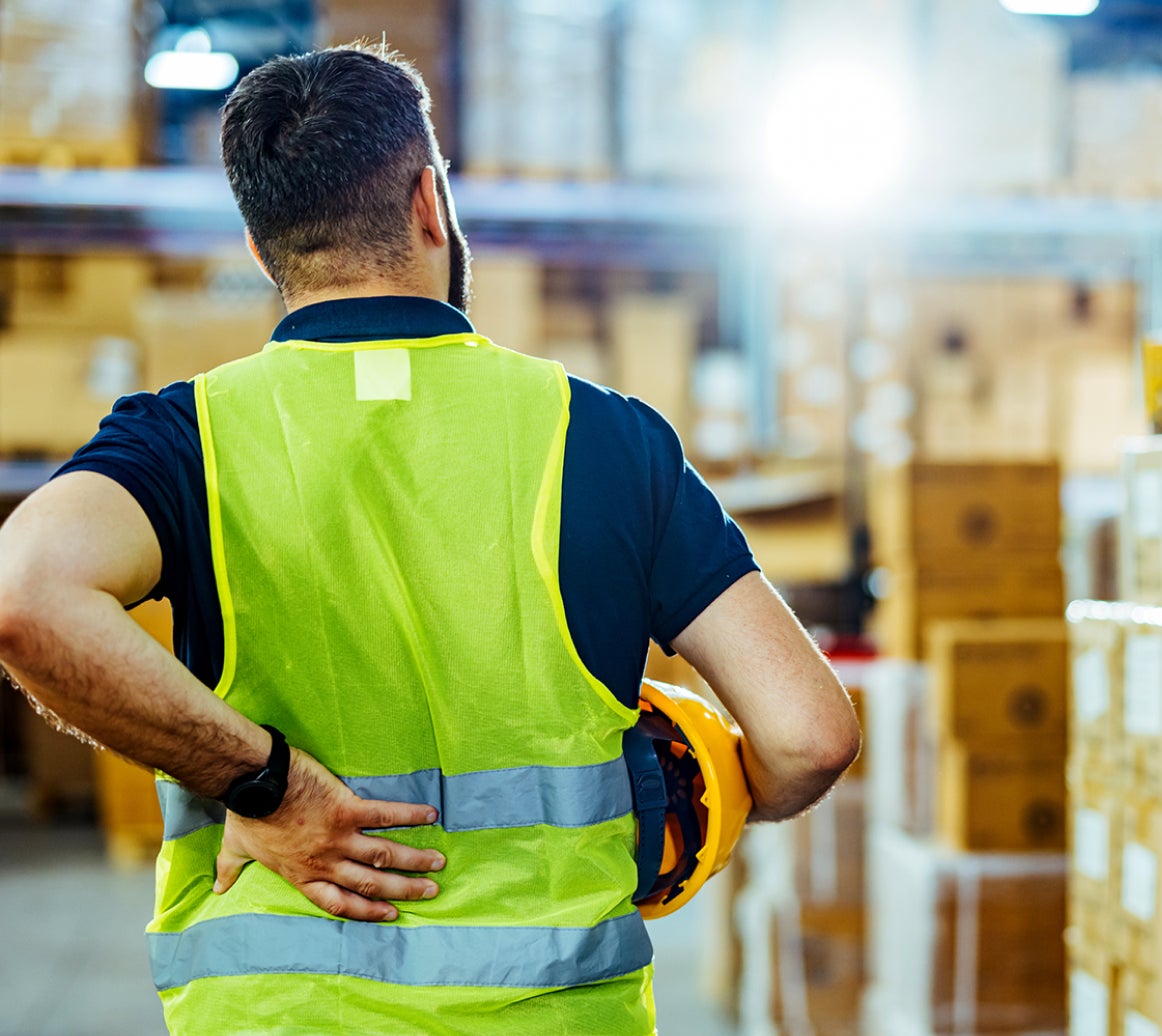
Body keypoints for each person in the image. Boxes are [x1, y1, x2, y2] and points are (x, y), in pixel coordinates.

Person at [0, 41, 860, 1035]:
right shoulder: (605, 437)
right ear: (429, 202)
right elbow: (810, 734)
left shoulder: (187, 439)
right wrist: (715, 798)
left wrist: (267, 784)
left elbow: (25, 596)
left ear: (260, 250)